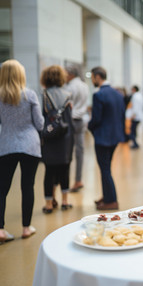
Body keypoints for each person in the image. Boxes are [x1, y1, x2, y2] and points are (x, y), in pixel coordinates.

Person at [0, 59, 44, 241]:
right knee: (27, 186)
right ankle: (26, 228)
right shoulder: (30, 95)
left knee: (2, 188)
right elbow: (40, 123)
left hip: (6, 145)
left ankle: (1, 230)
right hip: (29, 145)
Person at [88, 66, 125, 210]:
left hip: (102, 137)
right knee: (106, 167)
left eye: (92, 77)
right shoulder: (118, 94)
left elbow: (96, 118)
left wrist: (89, 127)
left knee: (104, 169)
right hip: (115, 136)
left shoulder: (98, 95)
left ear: (97, 77)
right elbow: (122, 115)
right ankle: (107, 195)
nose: (92, 80)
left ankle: (111, 201)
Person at [40, 65, 74, 214]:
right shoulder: (68, 94)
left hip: (49, 137)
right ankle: (65, 202)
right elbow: (69, 119)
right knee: (64, 169)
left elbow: (41, 118)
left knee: (49, 171)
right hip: (65, 137)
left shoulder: (44, 95)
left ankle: (49, 204)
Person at [65, 66, 89, 193]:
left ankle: (65, 183)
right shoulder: (84, 85)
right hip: (81, 120)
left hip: (71, 120)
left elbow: (66, 104)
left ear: (71, 74)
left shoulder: (70, 87)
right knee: (80, 152)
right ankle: (78, 179)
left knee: (67, 152)